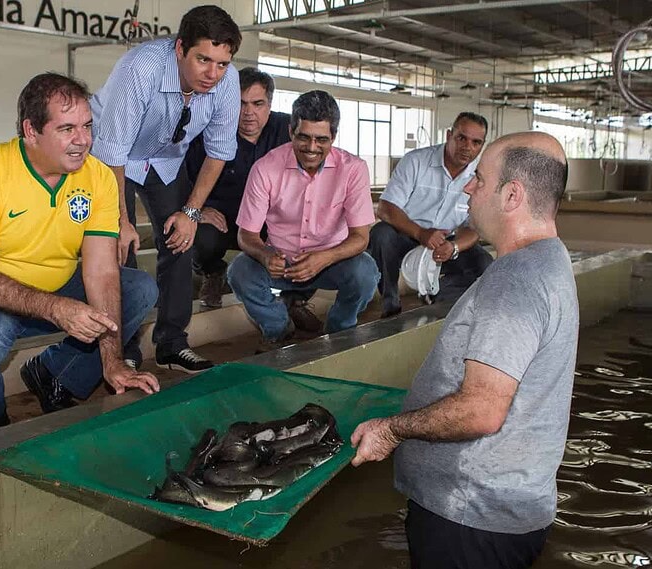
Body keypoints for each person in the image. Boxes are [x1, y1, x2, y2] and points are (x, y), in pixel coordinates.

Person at [350, 132, 579, 568]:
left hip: (471, 517)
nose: (468, 187)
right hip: (508, 509)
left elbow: (481, 410)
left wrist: (392, 430)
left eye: (480, 179)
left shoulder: (515, 280)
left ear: (512, 195)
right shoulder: (551, 259)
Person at [0, 73, 160, 430]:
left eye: (87, 126)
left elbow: (101, 271)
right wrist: (56, 308)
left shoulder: (98, 177)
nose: (82, 141)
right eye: (66, 129)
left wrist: (113, 362)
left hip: (54, 285)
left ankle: (57, 374)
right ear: (31, 130)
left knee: (139, 289)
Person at [90, 5, 242, 373]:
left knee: (179, 240)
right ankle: (122, 345)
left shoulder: (227, 82)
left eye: (222, 63)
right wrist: (121, 220)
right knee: (117, 246)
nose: (212, 74)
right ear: (179, 49)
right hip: (109, 158)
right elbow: (113, 151)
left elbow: (219, 152)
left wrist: (190, 213)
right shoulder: (139, 69)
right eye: (203, 59)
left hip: (165, 160)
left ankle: (172, 343)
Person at [226, 90, 379, 352]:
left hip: (332, 261)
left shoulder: (353, 168)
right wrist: (264, 255)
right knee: (239, 272)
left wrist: (324, 258)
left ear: (334, 136)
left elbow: (360, 238)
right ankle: (278, 328)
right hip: (281, 261)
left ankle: (339, 329)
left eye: (321, 139)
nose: (311, 148)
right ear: (290, 131)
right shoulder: (265, 168)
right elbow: (246, 235)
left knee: (365, 272)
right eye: (303, 137)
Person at [184, 67, 321, 333]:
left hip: (271, 221)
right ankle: (211, 272)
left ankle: (296, 298)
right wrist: (198, 209)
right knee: (199, 235)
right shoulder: (209, 132)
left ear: (270, 104)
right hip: (225, 219)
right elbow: (182, 175)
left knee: (315, 231)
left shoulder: (288, 131)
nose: (249, 113)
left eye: (258, 104)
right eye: (241, 103)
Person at [369, 112, 493, 317]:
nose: (467, 147)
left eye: (476, 142)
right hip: (407, 232)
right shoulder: (416, 161)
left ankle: (437, 299)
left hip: (447, 238)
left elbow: (474, 228)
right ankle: (390, 303)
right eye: (461, 138)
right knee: (381, 234)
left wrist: (454, 247)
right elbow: (385, 208)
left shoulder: (481, 178)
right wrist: (420, 233)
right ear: (449, 135)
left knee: (484, 264)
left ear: (482, 145)